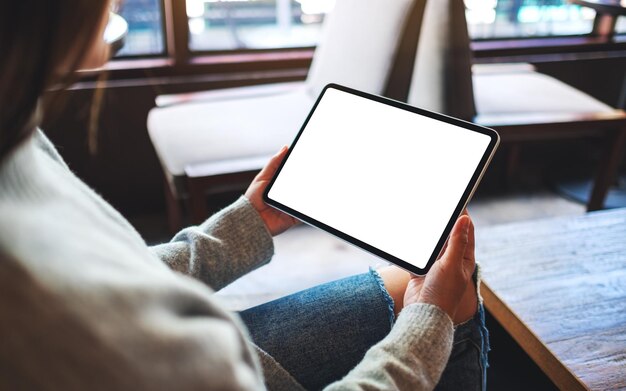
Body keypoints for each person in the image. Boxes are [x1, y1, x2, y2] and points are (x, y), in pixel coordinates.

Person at [0, 1, 489, 390]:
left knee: (418, 281)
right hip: (201, 365)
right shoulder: (33, 298)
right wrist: (427, 327)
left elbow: (105, 279)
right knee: (448, 297)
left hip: (193, 348)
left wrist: (243, 224)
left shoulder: (14, 130)